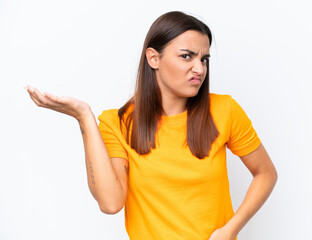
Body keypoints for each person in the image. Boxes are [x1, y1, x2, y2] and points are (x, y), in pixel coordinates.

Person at [25, 11, 277, 240]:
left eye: (204, 59)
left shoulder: (225, 111)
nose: (199, 68)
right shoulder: (117, 124)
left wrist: (230, 230)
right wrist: (84, 118)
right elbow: (110, 203)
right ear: (153, 58)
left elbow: (265, 173)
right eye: (187, 56)